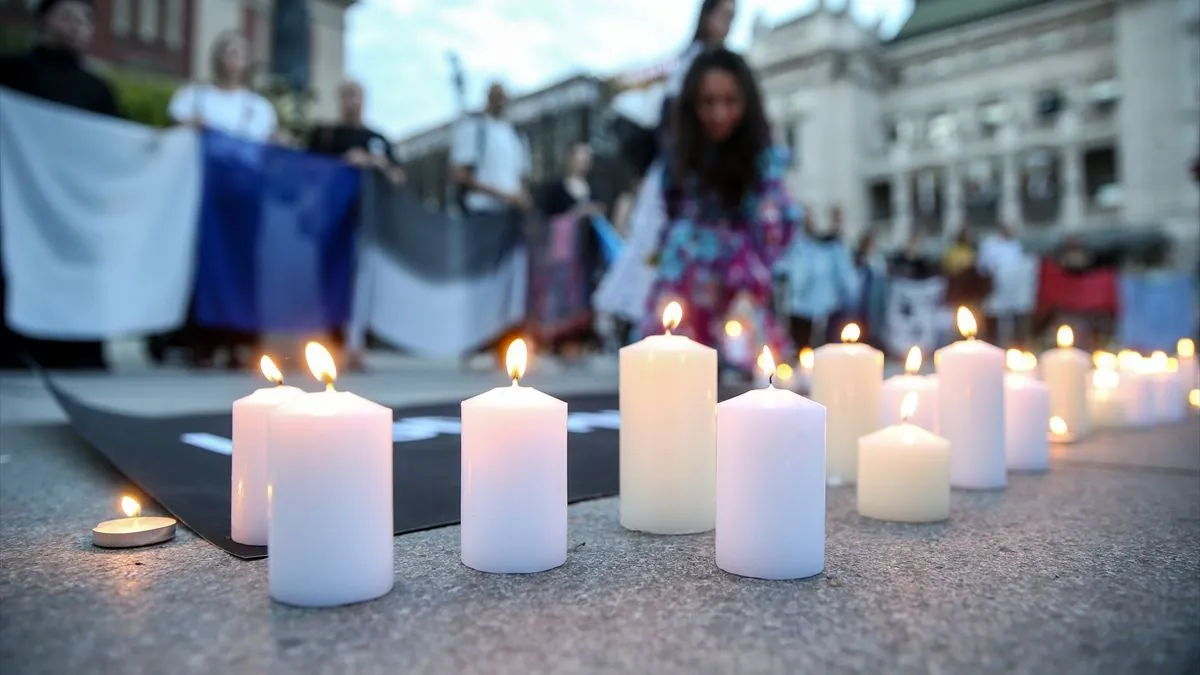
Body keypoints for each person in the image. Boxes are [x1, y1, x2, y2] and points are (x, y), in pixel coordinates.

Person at [640, 48, 800, 368]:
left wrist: (752, 289)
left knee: (751, 373)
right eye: (708, 102)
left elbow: (772, 226)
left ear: (747, 102)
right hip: (683, 276)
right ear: (692, 104)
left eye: (730, 101)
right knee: (668, 372)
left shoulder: (763, 157)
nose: (719, 114)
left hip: (740, 278)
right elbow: (670, 210)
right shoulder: (676, 153)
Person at [0, 0, 120, 371]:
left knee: (78, 273)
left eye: (84, 19)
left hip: (76, 206)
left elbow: (116, 144)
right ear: (44, 21)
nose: (76, 26)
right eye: (68, 16)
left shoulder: (97, 87)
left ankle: (78, 349)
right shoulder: (13, 72)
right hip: (21, 201)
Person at [155, 31, 278, 371]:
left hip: (244, 200)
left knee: (243, 268)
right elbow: (174, 133)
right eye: (227, 50)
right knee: (204, 264)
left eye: (240, 51)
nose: (233, 57)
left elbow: (267, 151)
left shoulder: (259, 107)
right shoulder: (194, 97)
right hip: (204, 196)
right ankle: (203, 341)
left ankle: (241, 342)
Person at [307, 80, 405, 372]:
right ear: (340, 99)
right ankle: (327, 342)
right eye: (348, 95)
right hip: (329, 221)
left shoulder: (378, 138)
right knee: (328, 277)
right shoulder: (326, 135)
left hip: (366, 224)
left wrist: (379, 164)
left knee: (361, 280)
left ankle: (354, 343)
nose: (353, 101)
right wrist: (342, 163)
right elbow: (306, 171)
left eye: (358, 95)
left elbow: (399, 177)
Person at [449, 82, 532, 367]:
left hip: (510, 218)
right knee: (480, 282)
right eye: (496, 95)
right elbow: (461, 175)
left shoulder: (515, 136)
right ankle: (474, 344)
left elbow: (519, 179)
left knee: (509, 282)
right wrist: (502, 195)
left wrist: (519, 198)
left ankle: (502, 345)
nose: (501, 101)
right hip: (483, 215)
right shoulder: (474, 129)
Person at [530, 143, 604, 363]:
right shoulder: (556, 189)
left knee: (584, 295)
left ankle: (579, 339)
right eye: (579, 157)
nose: (582, 162)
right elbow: (545, 220)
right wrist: (576, 214)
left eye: (586, 158)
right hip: (563, 253)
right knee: (561, 295)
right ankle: (556, 338)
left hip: (587, 253)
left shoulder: (592, 188)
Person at [167, 31, 278, 142]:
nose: (234, 60)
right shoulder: (193, 94)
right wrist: (191, 125)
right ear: (218, 57)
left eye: (240, 55)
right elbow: (174, 129)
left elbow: (267, 144)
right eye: (230, 53)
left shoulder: (259, 106)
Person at [779, 206, 860, 349]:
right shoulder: (797, 245)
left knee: (826, 351)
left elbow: (847, 278)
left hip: (828, 307)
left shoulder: (836, 247)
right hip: (800, 309)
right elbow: (786, 269)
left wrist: (850, 302)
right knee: (802, 351)